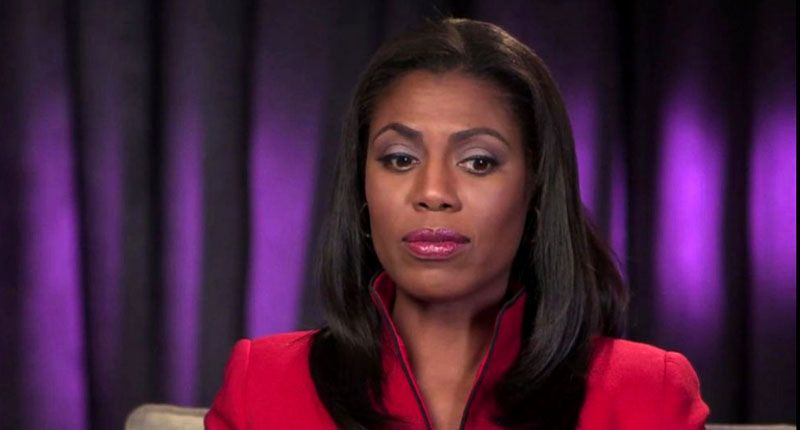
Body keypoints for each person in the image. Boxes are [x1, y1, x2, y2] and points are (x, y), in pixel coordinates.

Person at [205, 18, 709, 430]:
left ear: (536, 190)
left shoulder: (648, 393)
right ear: (361, 187)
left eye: (478, 162)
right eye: (400, 159)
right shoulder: (263, 384)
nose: (432, 193)